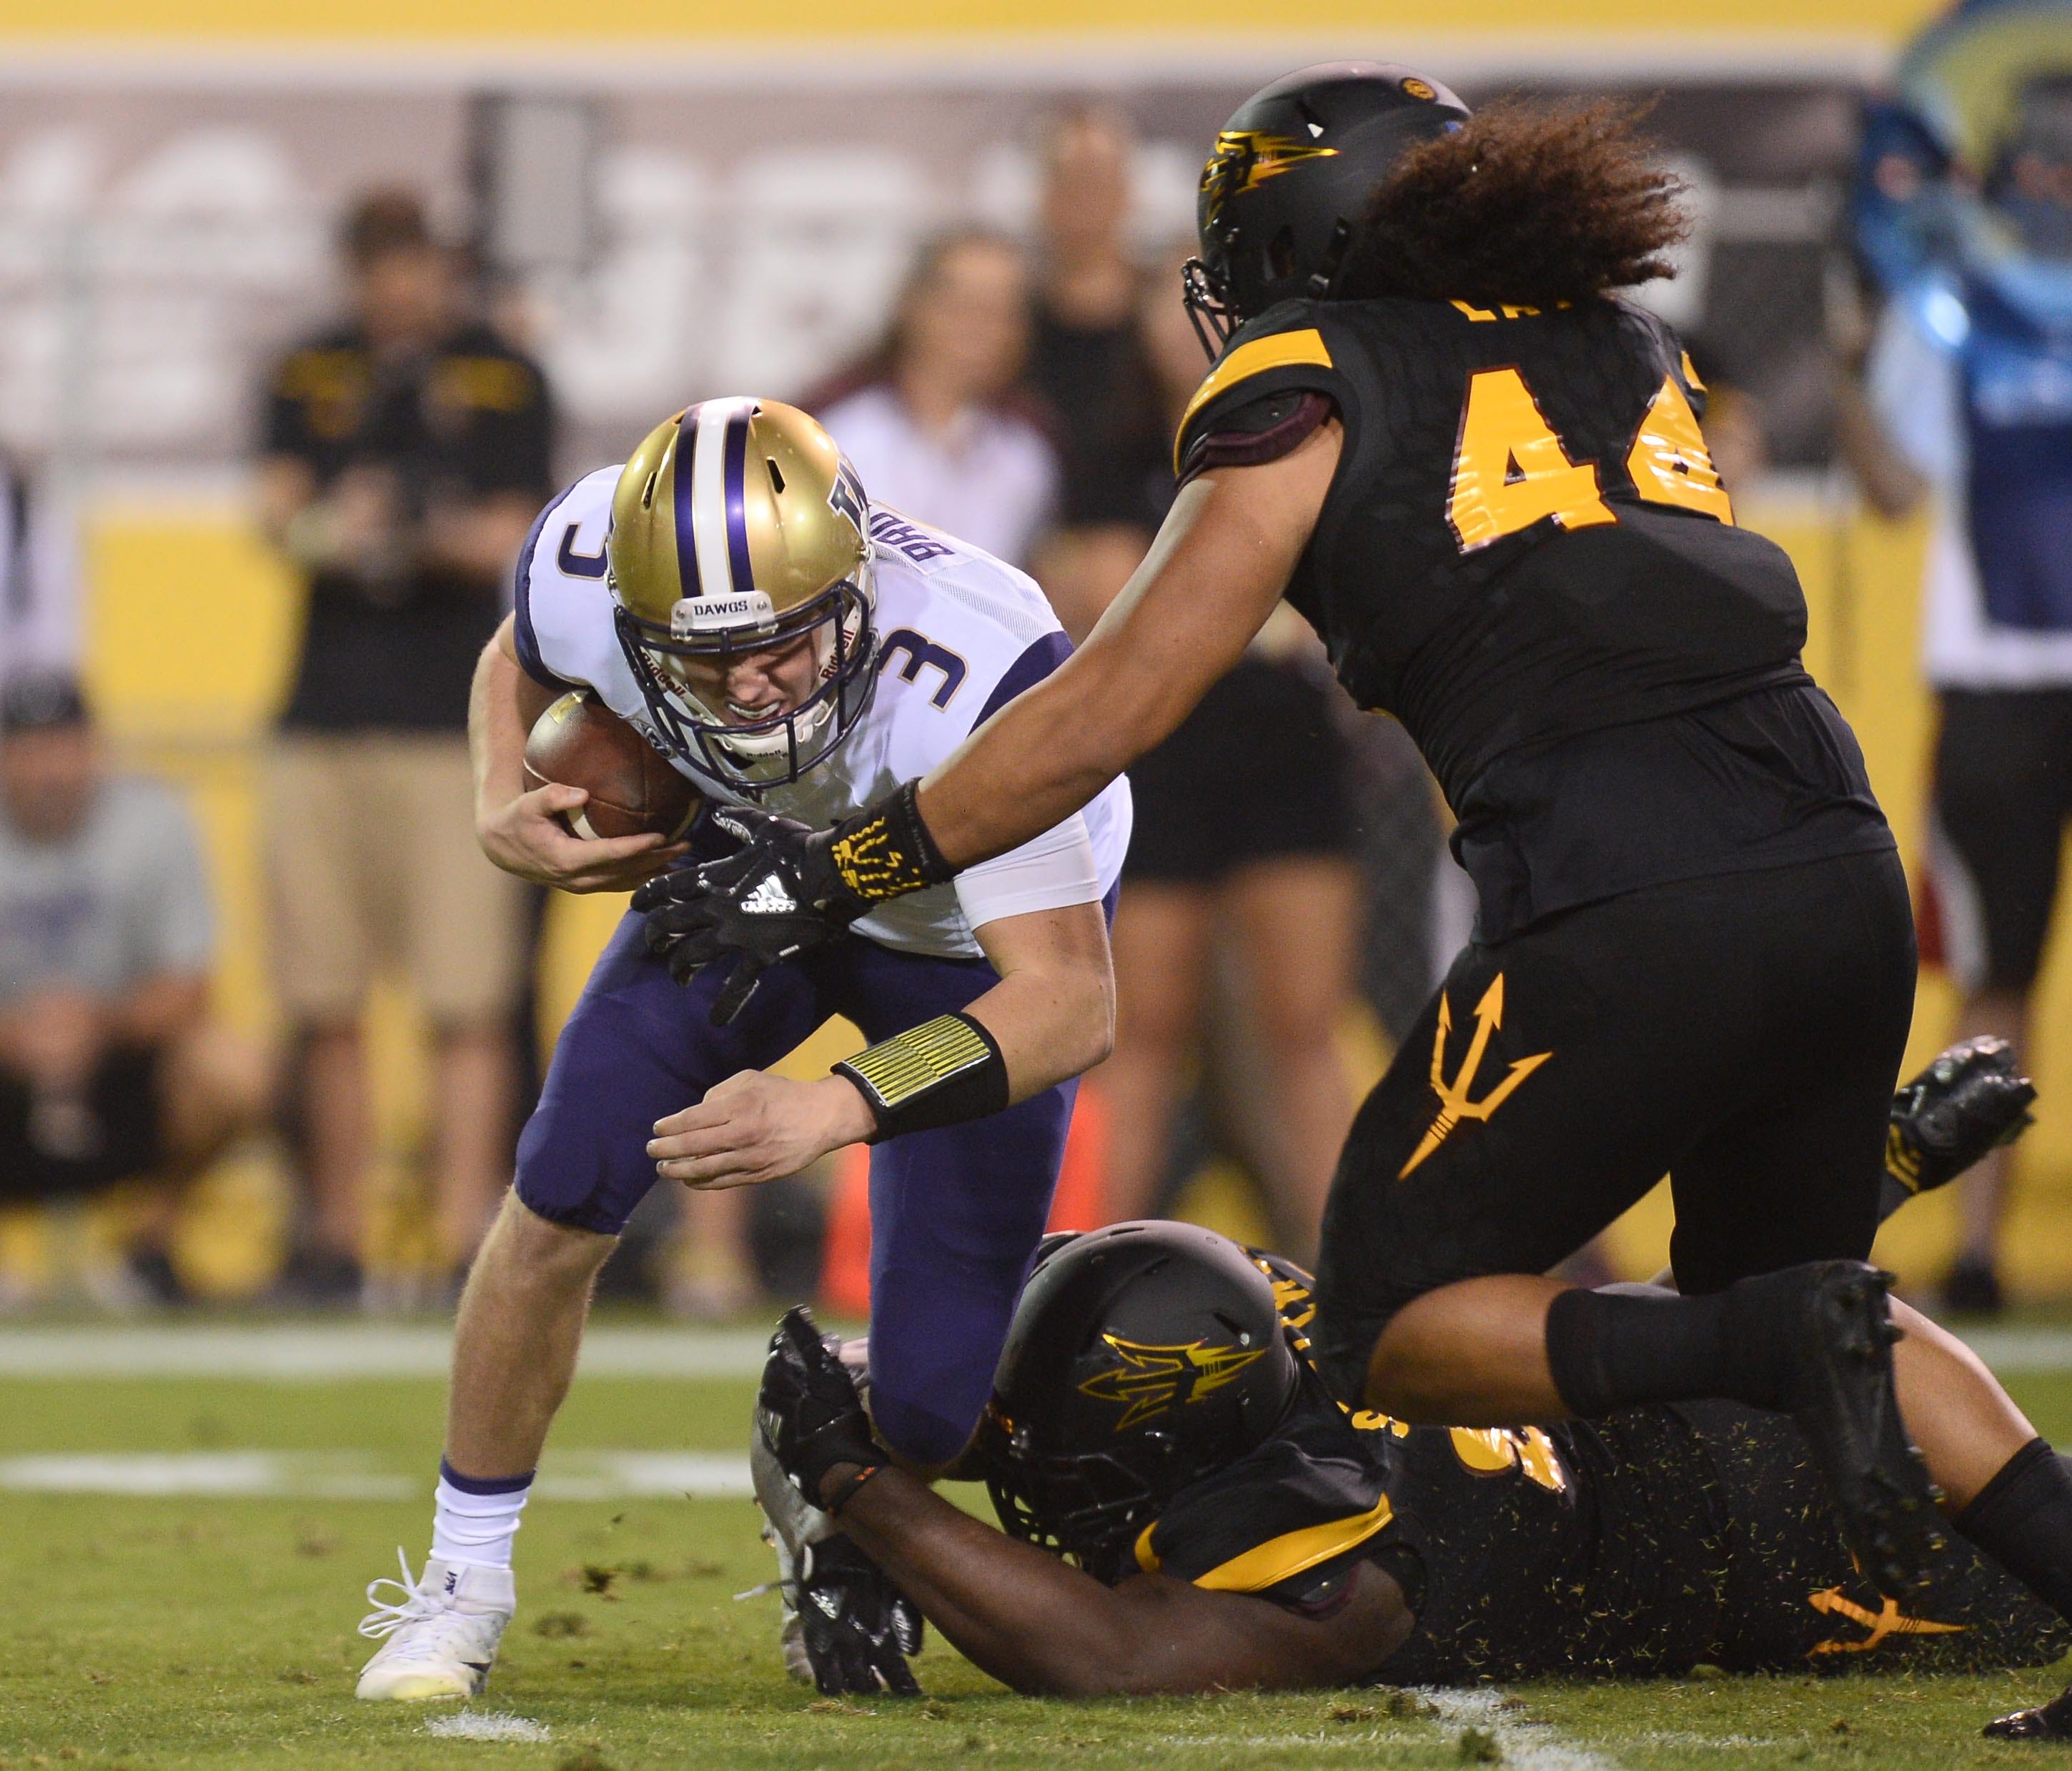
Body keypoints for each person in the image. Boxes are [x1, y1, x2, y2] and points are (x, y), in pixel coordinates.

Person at [643, 66, 1950, 1594]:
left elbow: (1115, 697)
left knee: (1401, 1314)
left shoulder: (1314, 372)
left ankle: (1783, 1336)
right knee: (1772, 1321)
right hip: (1830, 838)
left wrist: (840, 872)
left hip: (1619, 876)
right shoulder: (1628, 345)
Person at [350, 397, 1129, 1701]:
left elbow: (1067, 1005)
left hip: (956, 945)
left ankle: (834, 1507)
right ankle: (461, 1580)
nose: (749, 689)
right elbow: (517, 651)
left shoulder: (986, 667)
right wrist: (497, 798)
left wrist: (835, 1105)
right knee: (561, 1184)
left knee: (932, 1401)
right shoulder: (589, 557)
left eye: (777, 648)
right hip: (749, 875)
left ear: (854, 585)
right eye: (702, 665)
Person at [751, 1171, 2072, 1726]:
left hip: (1794, 1536)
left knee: (2040, 1589)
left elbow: (1114, 1658)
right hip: (1683, 1389)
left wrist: (865, 1493)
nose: (1026, 1465)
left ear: (1182, 1439)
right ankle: (1868, 1182)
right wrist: (858, 1461)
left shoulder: (1332, 1552)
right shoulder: (1247, 1306)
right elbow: (1025, 1396)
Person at [255, 189, 555, 1304]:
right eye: (380, 263)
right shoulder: (311, 369)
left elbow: (513, 533)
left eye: (416, 262)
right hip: (322, 714)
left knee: (464, 996)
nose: (400, 286)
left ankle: (458, 1237)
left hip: (453, 722)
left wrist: (413, 530)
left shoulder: (500, 373)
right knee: (323, 992)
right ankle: (337, 1238)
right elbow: (278, 515)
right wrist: (350, 525)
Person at [1833, 45, 2072, 1317]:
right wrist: (1847, 356)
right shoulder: (1955, 311)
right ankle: (1974, 1242)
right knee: (1995, 969)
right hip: (1995, 689)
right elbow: (1888, 489)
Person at [0, 673, 269, 1305]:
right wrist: (18, 1036)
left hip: (121, 1067)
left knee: (232, 1069)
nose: (49, 770)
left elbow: (190, 986)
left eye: (63, 747)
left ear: (93, 750)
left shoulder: (153, 820)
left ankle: (148, 1247)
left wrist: (96, 1026)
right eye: (30, 750)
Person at [814, 229, 1059, 572]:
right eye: (965, 305)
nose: (983, 327)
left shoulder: (1027, 459)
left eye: (1003, 311)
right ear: (912, 305)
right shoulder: (840, 442)